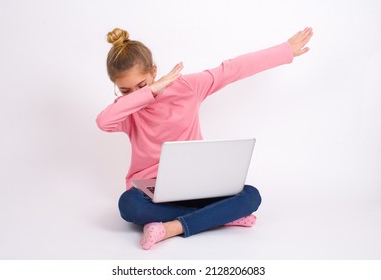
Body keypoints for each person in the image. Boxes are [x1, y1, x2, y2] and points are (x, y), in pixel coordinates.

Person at [96, 27, 313, 250]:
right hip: (150, 193)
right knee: (128, 205)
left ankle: (170, 228)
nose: (135, 95)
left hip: (195, 185)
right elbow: (103, 122)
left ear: (154, 71)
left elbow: (230, 70)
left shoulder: (187, 87)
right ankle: (222, 216)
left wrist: (284, 51)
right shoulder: (127, 110)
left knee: (251, 196)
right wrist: (148, 91)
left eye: (141, 85)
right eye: (125, 91)